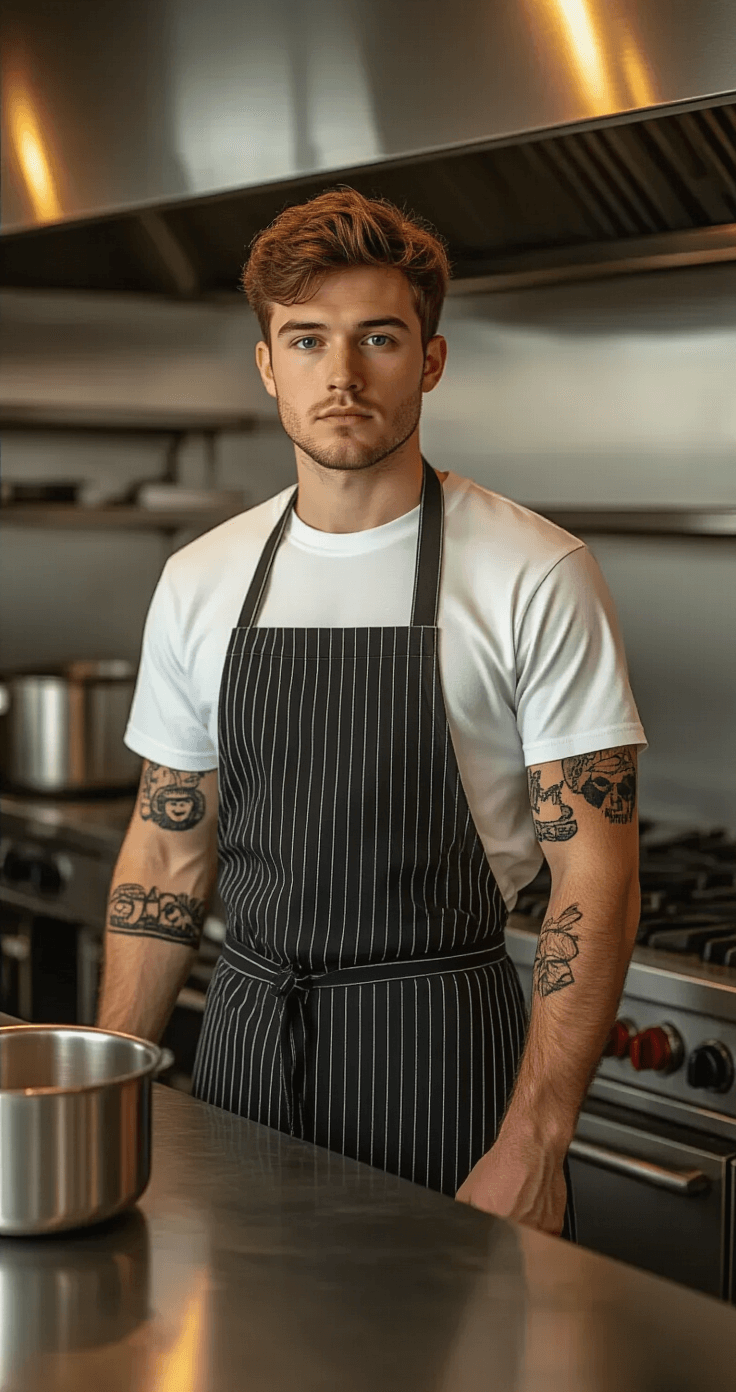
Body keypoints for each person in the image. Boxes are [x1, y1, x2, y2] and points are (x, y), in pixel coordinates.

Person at [98, 189, 645, 1236]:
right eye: (307, 340)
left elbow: (597, 877)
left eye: (378, 338)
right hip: (246, 1049)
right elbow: (166, 852)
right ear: (268, 365)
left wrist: (536, 1141)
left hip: (445, 1063)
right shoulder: (201, 578)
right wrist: (113, 1085)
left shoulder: (534, 572)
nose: (341, 374)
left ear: (429, 361)